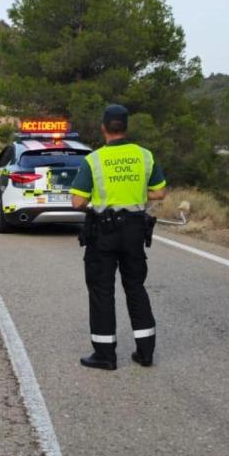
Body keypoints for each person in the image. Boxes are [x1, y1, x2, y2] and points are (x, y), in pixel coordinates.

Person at [69, 104, 167, 370]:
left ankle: (105, 355)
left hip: (104, 231)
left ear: (103, 127)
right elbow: (159, 193)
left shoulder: (94, 160)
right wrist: (133, 197)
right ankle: (145, 352)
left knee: (102, 291)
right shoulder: (145, 156)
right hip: (135, 230)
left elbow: (77, 201)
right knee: (135, 288)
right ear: (126, 127)